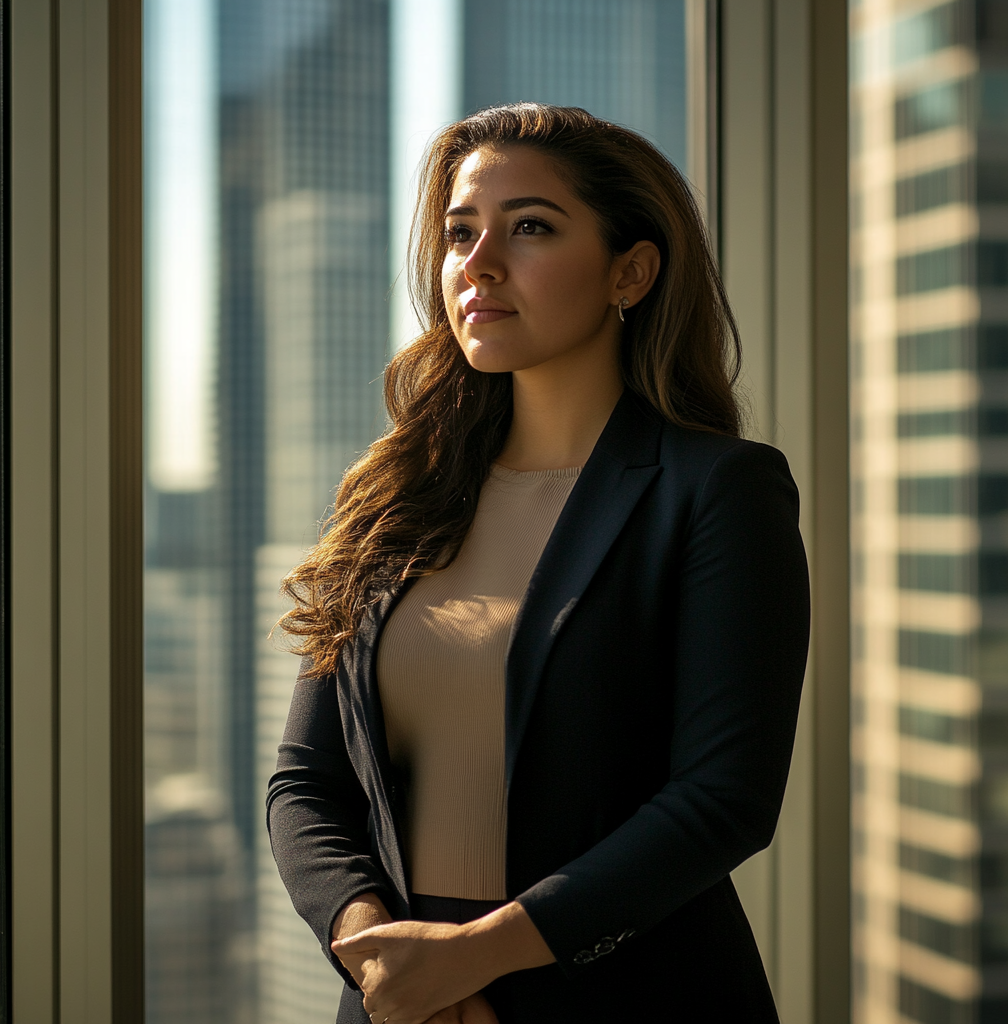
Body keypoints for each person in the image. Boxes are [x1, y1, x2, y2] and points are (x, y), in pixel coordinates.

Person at [267, 102, 810, 1024]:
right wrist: (385, 961)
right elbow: (305, 783)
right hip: (401, 996)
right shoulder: (400, 494)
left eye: (530, 228)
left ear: (630, 272)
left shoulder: (718, 490)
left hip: (623, 992)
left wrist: (479, 957)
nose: (478, 263)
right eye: (460, 233)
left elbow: (724, 800)